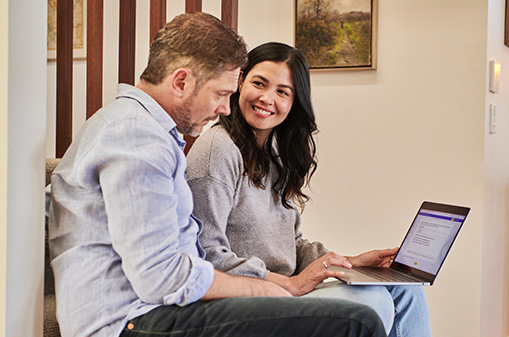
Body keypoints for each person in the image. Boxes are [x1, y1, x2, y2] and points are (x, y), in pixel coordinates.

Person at [48, 13, 388, 337]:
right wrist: (267, 288)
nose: (225, 108)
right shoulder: (136, 138)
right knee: (358, 322)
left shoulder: (148, 133)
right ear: (181, 81)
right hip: (131, 320)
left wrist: (337, 266)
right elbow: (161, 276)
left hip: (157, 309)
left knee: (378, 300)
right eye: (221, 94)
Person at [186, 42, 433, 337]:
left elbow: (290, 243)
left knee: (404, 289)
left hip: (284, 285)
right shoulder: (218, 149)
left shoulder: (274, 150)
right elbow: (205, 254)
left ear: (294, 102)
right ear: (240, 83)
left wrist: (346, 262)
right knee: (373, 301)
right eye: (259, 83)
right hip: (250, 296)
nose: (267, 98)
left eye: (282, 92)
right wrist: (285, 282)